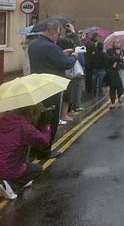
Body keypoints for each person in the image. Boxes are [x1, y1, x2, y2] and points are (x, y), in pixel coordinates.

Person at [28, 20, 78, 159]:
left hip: (37, 85)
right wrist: (73, 57)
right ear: (54, 32)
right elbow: (66, 64)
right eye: (58, 34)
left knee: (38, 119)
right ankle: (45, 151)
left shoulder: (34, 45)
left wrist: (61, 53)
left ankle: (34, 150)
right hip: (51, 87)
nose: (58, 36)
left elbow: (49, 59)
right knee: (52, 120)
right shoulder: (50, 47)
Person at [0, 104, 51, 200]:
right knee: (36, 169)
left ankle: (5, 181)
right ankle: (10, 185)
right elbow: (44, 142)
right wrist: (46, 126)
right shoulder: (25, 127)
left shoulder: (4, 118)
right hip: (8, 167)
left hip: (5, 161)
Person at [105, 39, 124, 109]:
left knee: (120, 87)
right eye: (116, 42)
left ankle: (119, 97)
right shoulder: (109, 51)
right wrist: (118, 58)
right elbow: (107, 58)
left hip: (121, 72)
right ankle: (112, 103)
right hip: (113, 72)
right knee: (112, 88)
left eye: (119, 42)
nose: (118, 43)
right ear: (113, 44)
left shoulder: (123, 51)